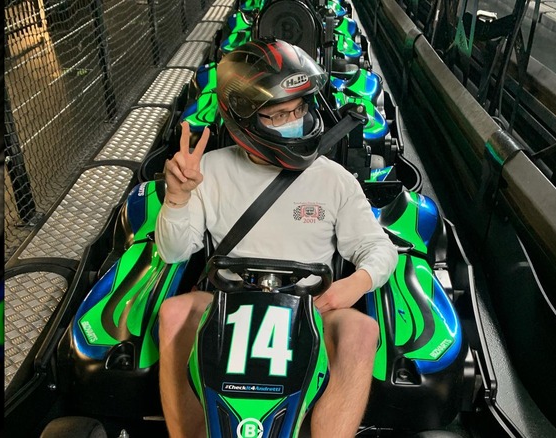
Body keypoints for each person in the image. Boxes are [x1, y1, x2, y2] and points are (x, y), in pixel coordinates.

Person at [155, 38, 398, 438]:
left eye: (300, 109)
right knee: (175, 312)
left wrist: (353, 285)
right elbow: (174, 251)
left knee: (361, 331)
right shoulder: (207, 171)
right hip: (227, 303)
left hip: (312, 305)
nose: (296, 120)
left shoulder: (333, 179)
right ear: (244, 118)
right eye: (280, 114)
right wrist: (179, 197)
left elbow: (377, 248)